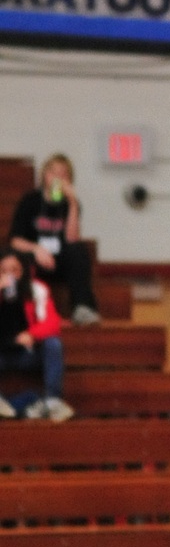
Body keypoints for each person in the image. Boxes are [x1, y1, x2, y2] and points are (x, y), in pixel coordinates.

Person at [8, 153, 99, 324]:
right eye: (53, 172)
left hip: (60, 260)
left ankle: (82, 308)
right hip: (35, 258)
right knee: (14, 257)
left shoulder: (71, 204)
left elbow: (72, 239)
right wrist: (36, 249)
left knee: (79, 251)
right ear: (45, 175)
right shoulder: (30, 200)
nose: (57, 178)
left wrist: (72, 203)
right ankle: (20, 313)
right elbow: (15, 240)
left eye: (63, 174)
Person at [0, 249, 72, 420]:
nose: (10, 275)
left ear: (23, 271)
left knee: (53, 344)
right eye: (3, 270)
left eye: (15, 270)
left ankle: (52, 401)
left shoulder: (36, 289)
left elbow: (53, 322)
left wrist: (31, 334)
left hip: (27, 352)